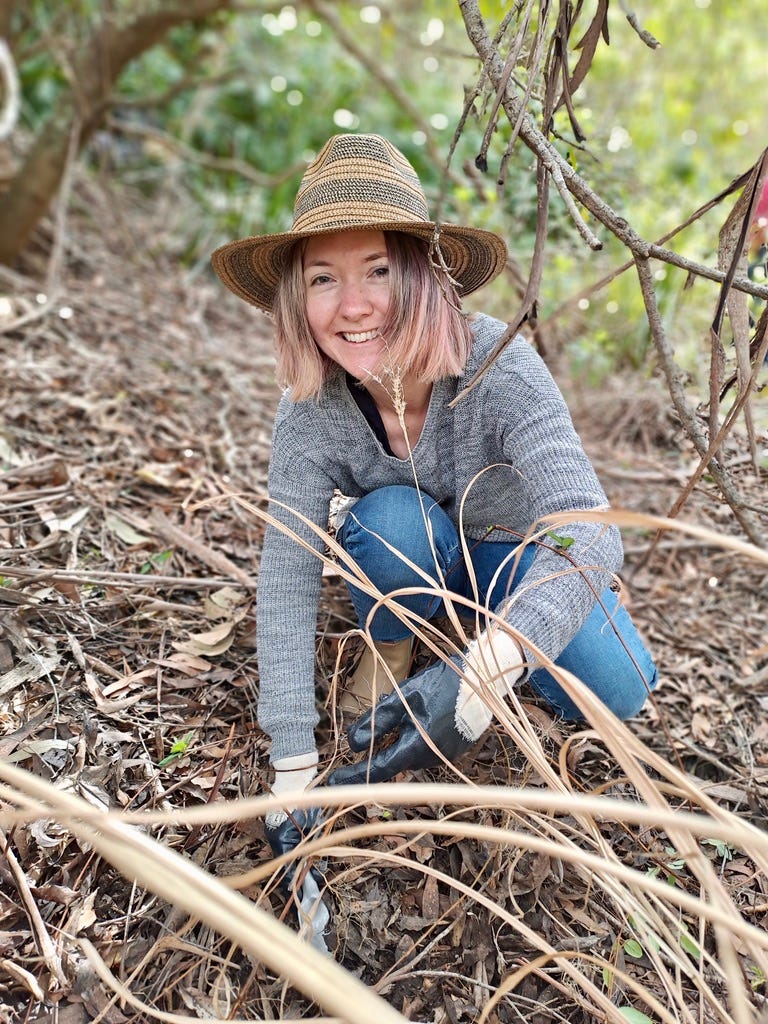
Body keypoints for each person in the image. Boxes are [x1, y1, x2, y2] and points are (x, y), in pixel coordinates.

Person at [211, 132, 657, 876]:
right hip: (412, 554)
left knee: (619, 692)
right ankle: (393, 647)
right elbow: (285, 572)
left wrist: (492, 662)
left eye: (378, 270)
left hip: (510, 558)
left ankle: (481, 642)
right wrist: (290, 762)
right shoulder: (311, 410)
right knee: (388, 523)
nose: (352, 306)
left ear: (419, 275)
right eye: (322, 279)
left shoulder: (500, 365)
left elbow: (587, 525)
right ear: (297, 297)